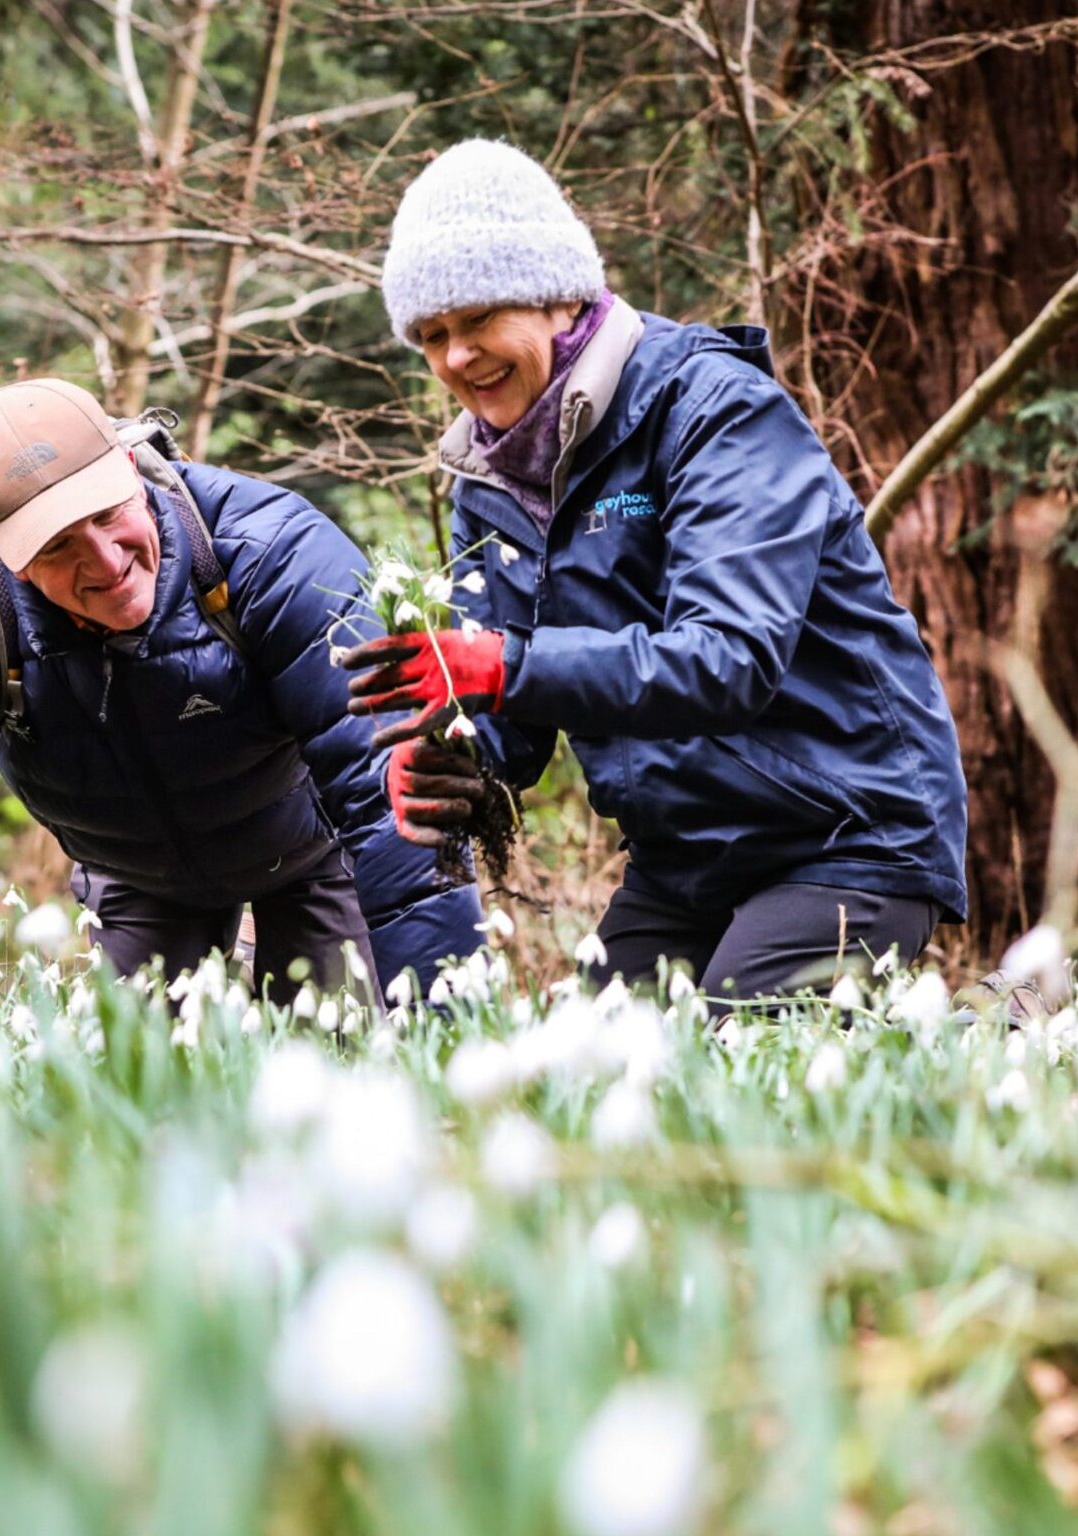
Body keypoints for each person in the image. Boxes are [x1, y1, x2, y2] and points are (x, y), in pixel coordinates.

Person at [339, 139, 968, 998]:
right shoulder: (488, 482)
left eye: (478, 318)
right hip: (682, 863)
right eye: (433, 334)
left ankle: (991, 1042)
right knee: (578, 1099)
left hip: (848, 837)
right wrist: (458, 761)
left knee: (747, 1065)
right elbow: (516, 727)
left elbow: (729, 660)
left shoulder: (714, 409)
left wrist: (498, 668)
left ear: (561, 295)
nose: (456, 357)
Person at [0, 377, 481, 999]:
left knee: (337, 1053)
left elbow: (392, 791)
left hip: (303, 850)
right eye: (57, 547)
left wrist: (443, 1016)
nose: (106, 562)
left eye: (109, 513)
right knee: (139, 1106)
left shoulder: (271, 549)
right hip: (136, 877)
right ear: (5, 556)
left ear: (132, 468)